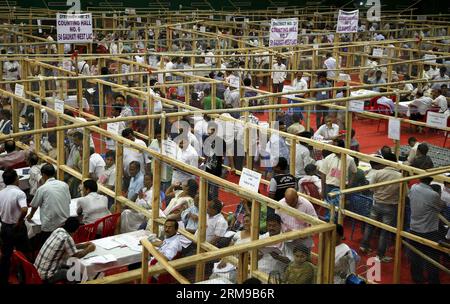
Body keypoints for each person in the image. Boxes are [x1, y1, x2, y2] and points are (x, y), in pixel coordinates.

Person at [360, 152, 402, 261]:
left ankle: (364, 246)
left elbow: (371, 189)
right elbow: (405, 194)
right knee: (385, 231)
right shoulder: (400, 176)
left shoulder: (378, 173)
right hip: (390, 206)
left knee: (370, 226)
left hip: (377, 203)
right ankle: (380, 255)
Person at [34, 217, 96, 283]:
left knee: (70, 265)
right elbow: (77, 255)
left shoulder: (58, 230)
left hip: (37, 271)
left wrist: (83, 245)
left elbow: (69, 247)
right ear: (76, 230)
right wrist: (89, 249)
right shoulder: (67, 238)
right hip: (47, 276)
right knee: (79, 275)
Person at [408, 177, 446, 284]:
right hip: (429, 230)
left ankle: (417, 278)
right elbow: (441, 206)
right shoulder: (433, 195)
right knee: (433, 258)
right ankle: (433, 280)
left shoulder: (414, 187)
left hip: (414, 227)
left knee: (415, 255)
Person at [27, 164, 71, 246]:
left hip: (50, 227)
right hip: (65, 224)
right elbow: (68, 201)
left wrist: (30, 216)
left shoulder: (42, 189)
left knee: (46, 245)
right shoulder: (64, 185)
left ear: (43, 175)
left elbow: (34, 206)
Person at [0, 169, 30, 284]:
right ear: (16, 179)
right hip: (17, 228)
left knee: (6, 255)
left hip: (5, 227)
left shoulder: (1, 193)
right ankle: (24, 277)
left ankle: (3, 279)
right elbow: (24, 209)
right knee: (24, 253)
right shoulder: (19, 193)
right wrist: (19, 221)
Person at [319, 139, 357, 220]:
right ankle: (328, 224)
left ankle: (335, 225)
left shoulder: (350, 159)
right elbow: (323, 174)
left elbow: (354, 172)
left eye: (335, 146)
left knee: (338, 210)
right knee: (328, 207)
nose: (332, 148)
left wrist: (349, 185)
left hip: (341, 188)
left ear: (341, 147)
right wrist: (323, 189)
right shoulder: (328, 158)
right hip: (329, 186)